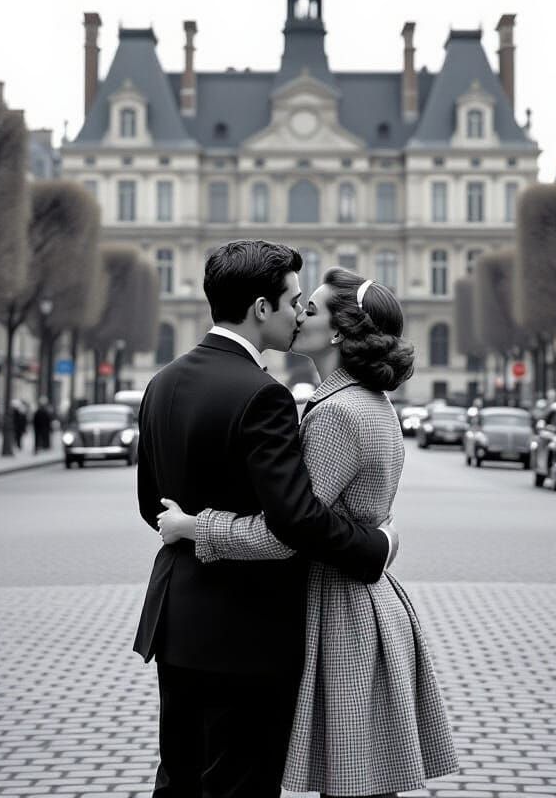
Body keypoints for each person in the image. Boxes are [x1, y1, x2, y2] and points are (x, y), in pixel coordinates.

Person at [158, 266, 458, 797]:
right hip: (363, 600)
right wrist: (382, 541)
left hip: (340, 609)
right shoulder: (369, 400)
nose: (298, 314)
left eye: (310, 309)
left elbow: (287, 531)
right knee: (358, 781)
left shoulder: (336, 413)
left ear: (339, 332)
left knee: (351, 783)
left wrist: (194, 526)